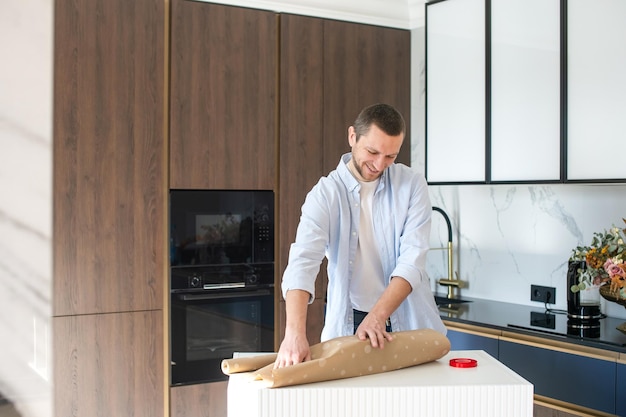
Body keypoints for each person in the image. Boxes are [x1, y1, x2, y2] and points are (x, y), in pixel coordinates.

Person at [275, 103, 446, 369]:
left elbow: (412, 262)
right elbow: (302, 262)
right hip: (351, 322)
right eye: (372, 151)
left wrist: (378, 315)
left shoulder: (411, 185)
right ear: (352, 136)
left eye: (390, 156)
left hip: (410, 319)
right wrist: (294, 334)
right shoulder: (325, 194)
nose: (379, 164)